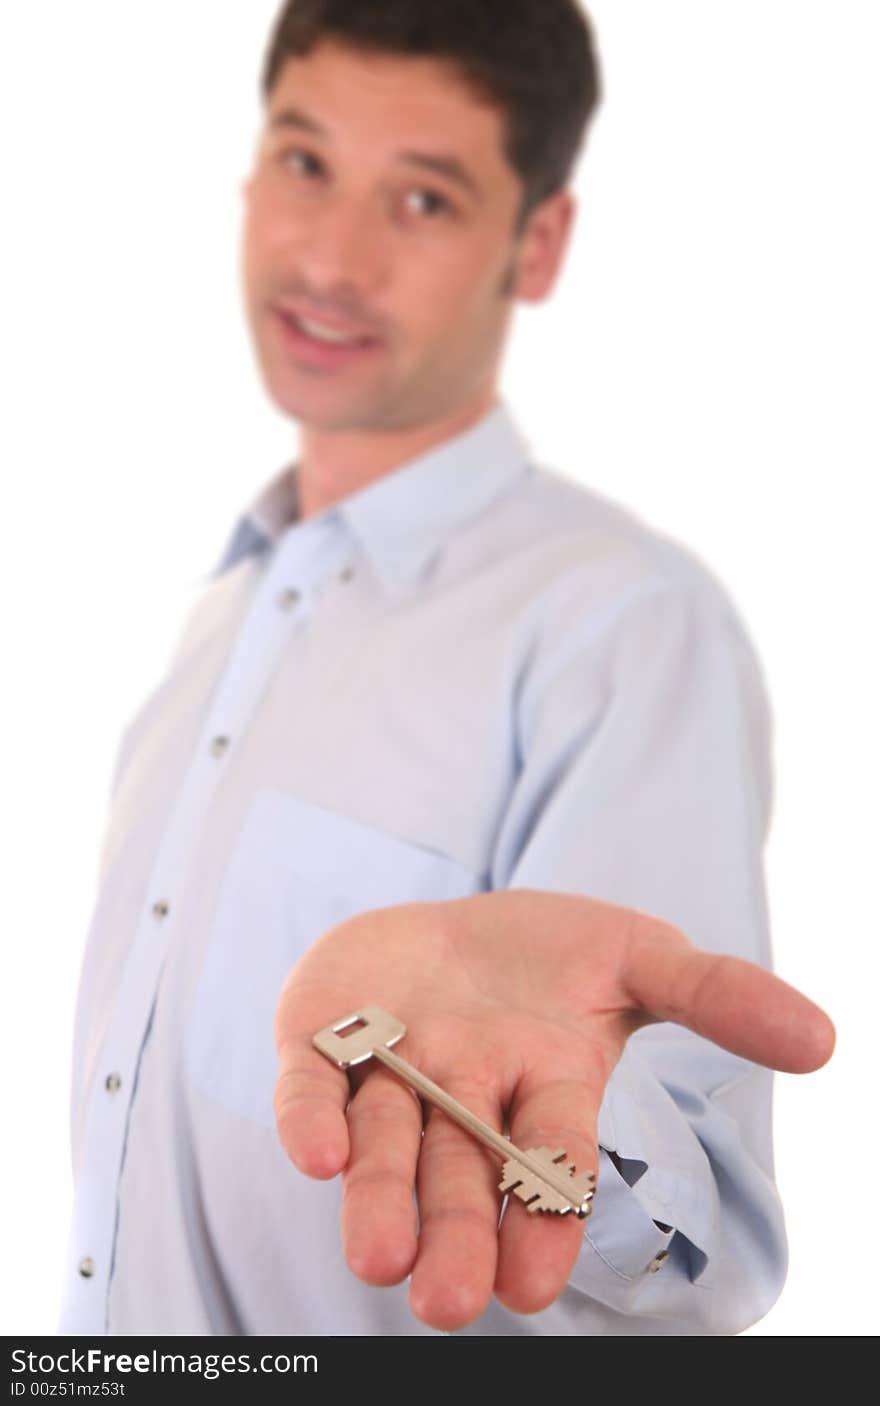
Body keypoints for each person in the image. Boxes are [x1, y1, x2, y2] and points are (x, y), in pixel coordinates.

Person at [60, 0, 834, 1338]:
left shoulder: (621, 627)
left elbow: (691, 1250)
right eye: (306, 164)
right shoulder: (219, 618)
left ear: (535, 245)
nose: (331, 258)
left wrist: (577, 1136)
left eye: (422, 198)